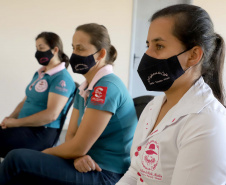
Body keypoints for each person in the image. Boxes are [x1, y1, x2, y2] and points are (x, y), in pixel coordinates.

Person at [0, 23, 138, 185]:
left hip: (106, 172)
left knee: (16, 160)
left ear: (100, 54)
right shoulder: (85, 87)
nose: (74, 54)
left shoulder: (106, 87)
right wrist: (77, 155)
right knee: (21, 161)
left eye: (80, 48)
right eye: (73, 48)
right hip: (84, 163)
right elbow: (71, 136)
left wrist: (45, 153)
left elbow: (78, 146)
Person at [116, 4, 226, 185]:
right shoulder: (153, 106)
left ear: (193, 55)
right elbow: (136, 172)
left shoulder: (207, 121)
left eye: (159, 46)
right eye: (147, 45)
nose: (147, 54)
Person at [0, 32, 76, 157]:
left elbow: (51, 115)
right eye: (37, 49)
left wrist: (16, 123)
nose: (38, 52)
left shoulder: (62, 78)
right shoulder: (40, 73)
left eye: (41, 48)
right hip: (23, 128)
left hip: (40, 133)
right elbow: (25, 101)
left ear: (55, 50)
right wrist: (9, 119)